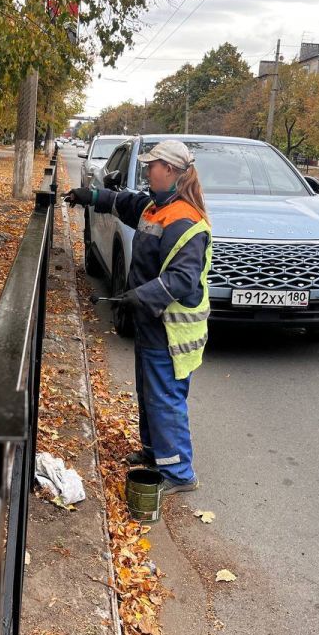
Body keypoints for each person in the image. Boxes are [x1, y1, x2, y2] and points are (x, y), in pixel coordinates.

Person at [64, 139, 211, 494]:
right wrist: (92, 197)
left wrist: (137, 296)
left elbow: (182, 279)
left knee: (164, 398)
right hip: (151, 322)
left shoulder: (186, 222)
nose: (147, 171)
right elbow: (123, 202)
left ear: (172, 172)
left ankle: (179, 473)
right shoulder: (155, 207)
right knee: (149, 393)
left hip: (170, 330)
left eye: (152, 166)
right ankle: (154, 453)